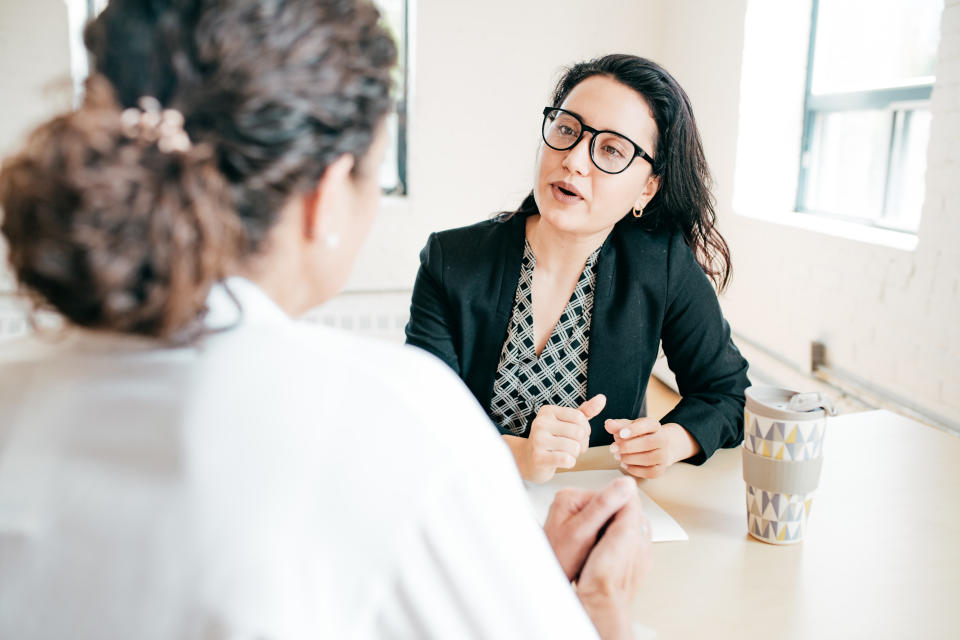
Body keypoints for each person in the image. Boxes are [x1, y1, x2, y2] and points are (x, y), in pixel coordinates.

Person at [0, 2, 650, 638]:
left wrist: (505, 565)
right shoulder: (401, 418)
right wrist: (596, 610)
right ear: (328, 195)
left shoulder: (14, 389)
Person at [405, 54, 751, 484]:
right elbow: (419, 413)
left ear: (648, 186)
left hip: (591, 508)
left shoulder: (660, 263)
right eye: (567, 129)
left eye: (611, 149)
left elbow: (729, 393)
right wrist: (517, 453)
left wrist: (673, 439)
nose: (573, 160)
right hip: (468, 497)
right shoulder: (451, 258)